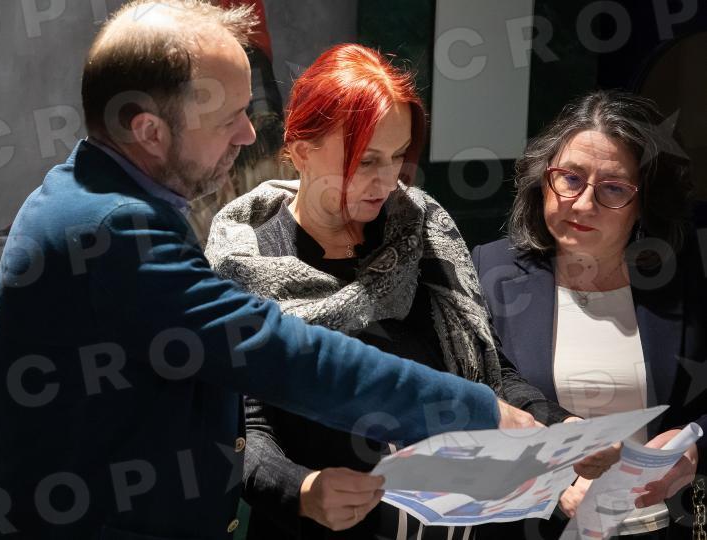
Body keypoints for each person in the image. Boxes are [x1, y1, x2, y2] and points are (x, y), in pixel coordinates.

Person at [0, 2, 539, 539]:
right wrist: (474, 410)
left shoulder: (91, 196)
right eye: (229, 118)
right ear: (150, 131)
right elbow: (279, 353)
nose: (249, 135)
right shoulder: (115, 228)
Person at [205, 44, 612, 540]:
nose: (388, 180)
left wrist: (559, 426)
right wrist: (302, 490)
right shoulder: (249, 262)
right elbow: (243, 431)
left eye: (398, 156)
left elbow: (490, 374)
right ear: (302, 150)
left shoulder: (422, 232)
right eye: (366, 160)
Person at [472, 90, 706, 539]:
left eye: (613, 188)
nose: (582, 204)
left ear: (644, 201)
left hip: (655, 528)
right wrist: (554, 482)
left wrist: (694, 446)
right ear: (544, 177)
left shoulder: (684, 279)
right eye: (571, 178)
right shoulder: (491, 270)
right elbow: (475, 402)